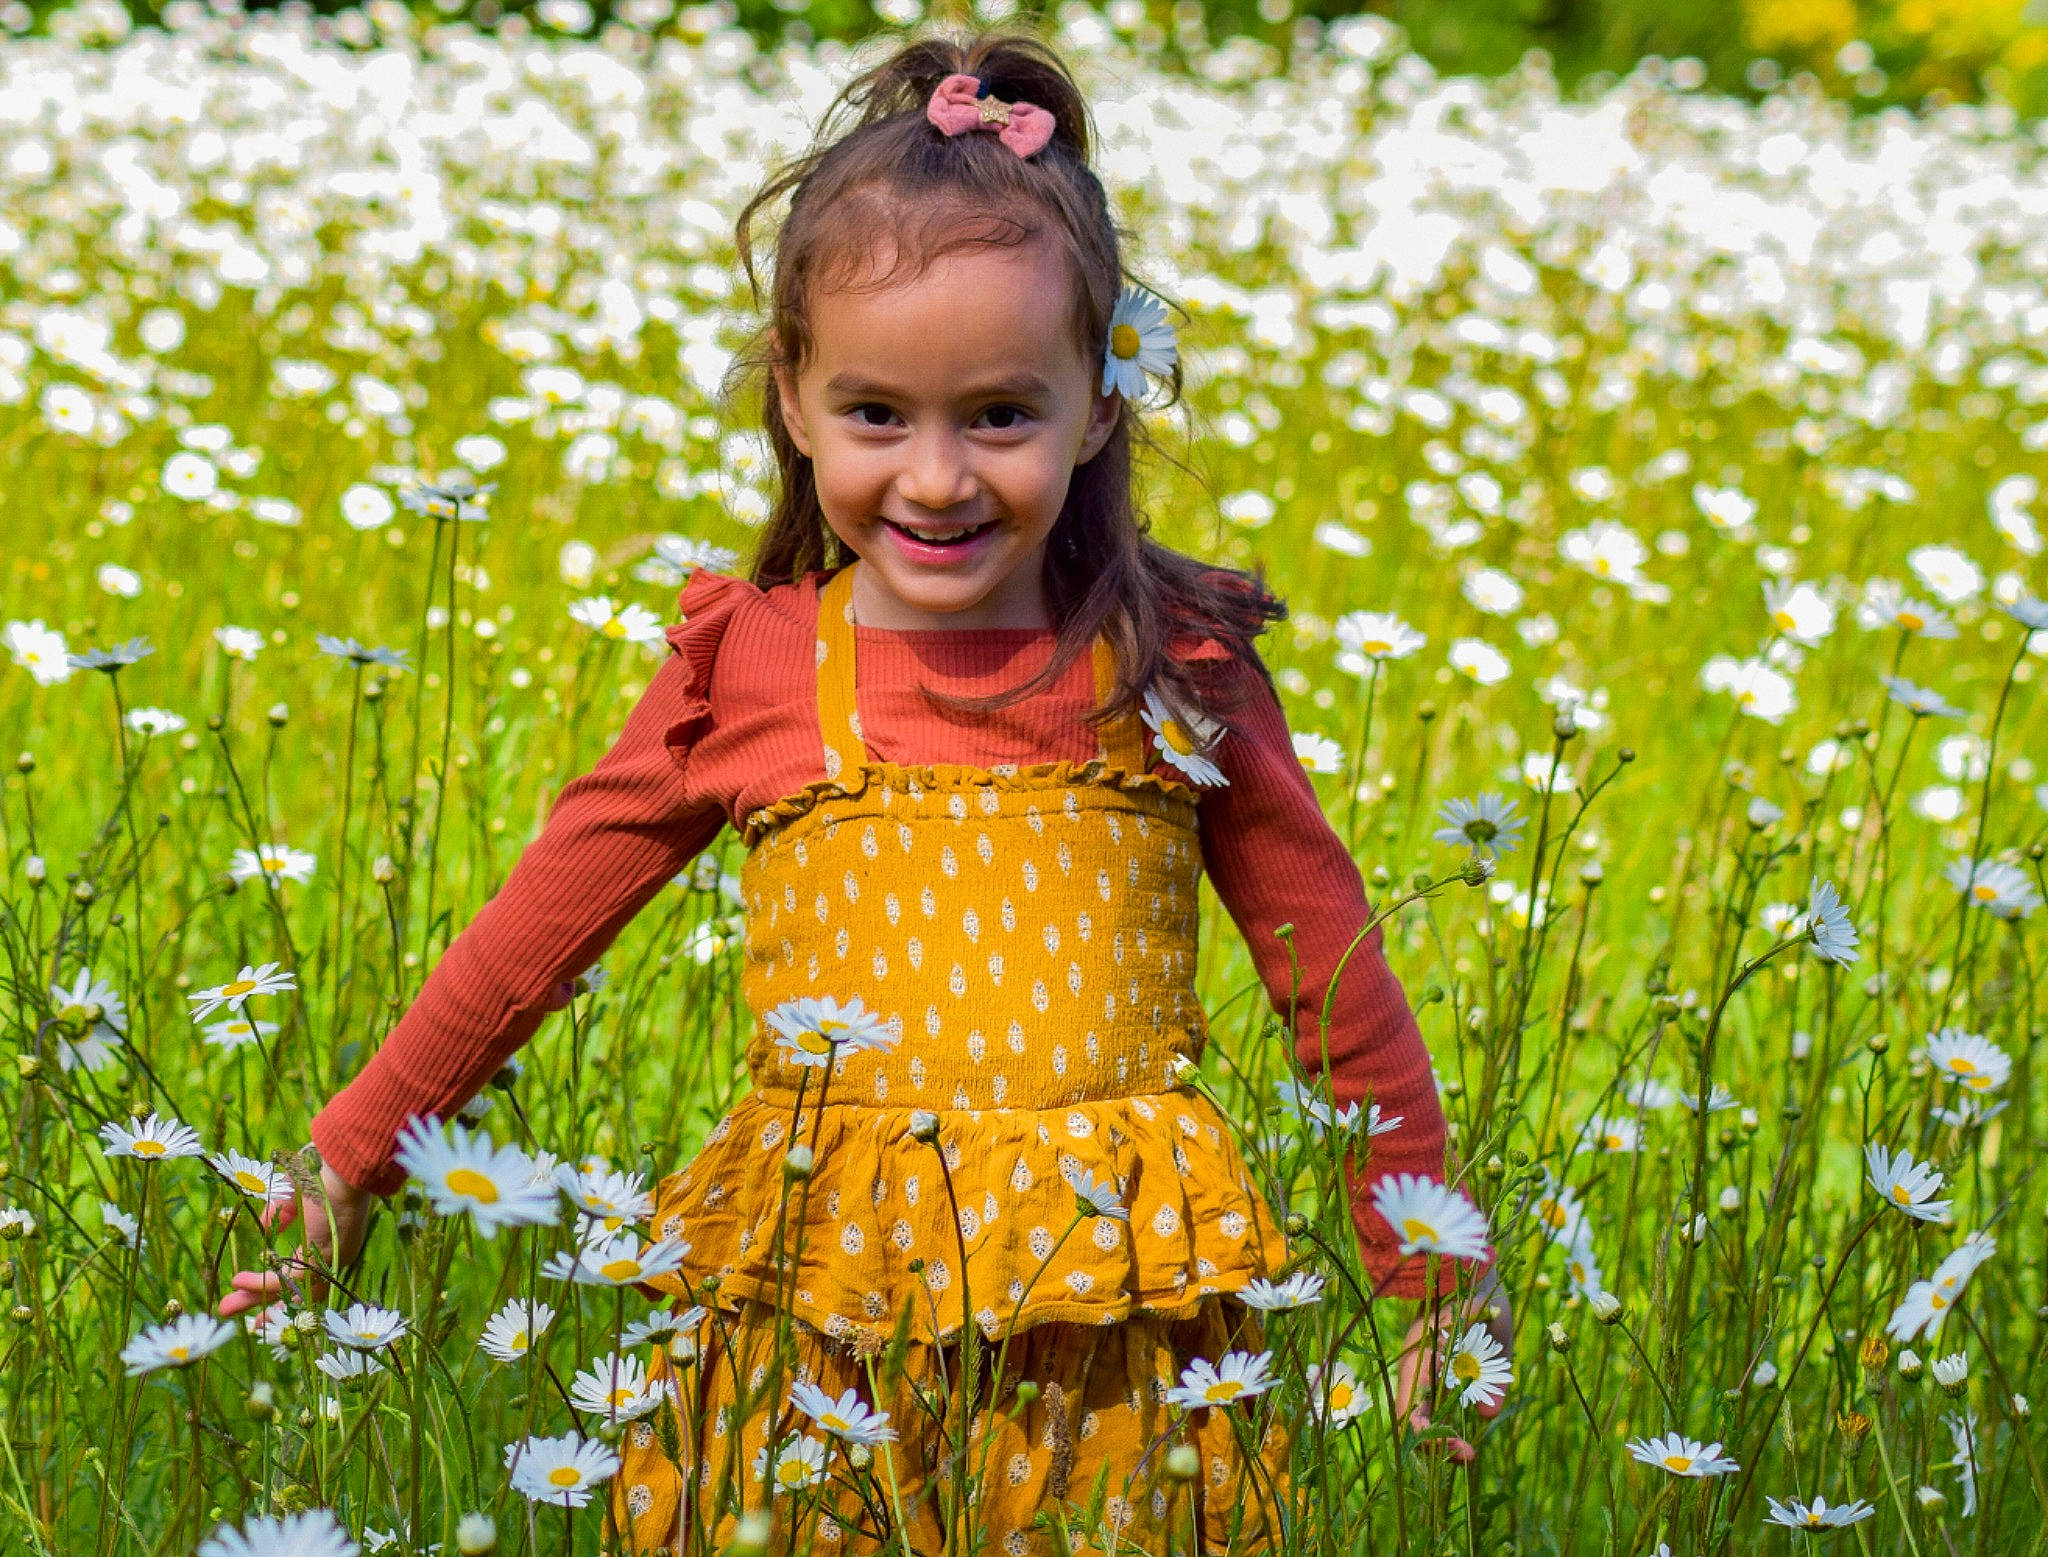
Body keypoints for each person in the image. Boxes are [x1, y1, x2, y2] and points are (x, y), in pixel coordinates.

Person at [220, 31, 1506, 1555]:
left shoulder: (1175, 667)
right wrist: (354, 1154)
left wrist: (1432, 1283)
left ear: (1099, 403)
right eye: (879, 414)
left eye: (1001, 416)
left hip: (1110, 1328)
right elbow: (535, 933)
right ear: (793, 396)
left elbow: (1334, 973)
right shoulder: (753, 662)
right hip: (813, 1314)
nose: (940, 477)